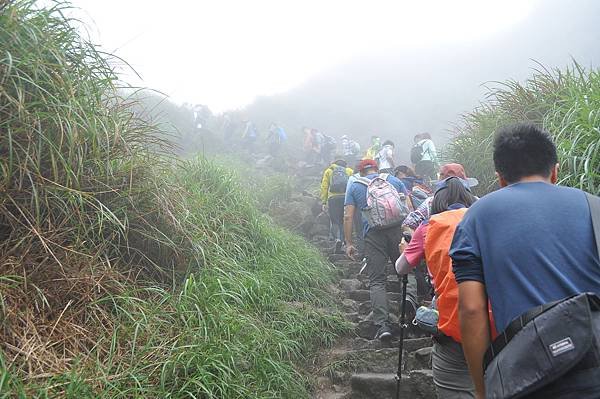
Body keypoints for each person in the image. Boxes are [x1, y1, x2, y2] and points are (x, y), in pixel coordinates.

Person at [450, 123, 600, 399]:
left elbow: (471, 309)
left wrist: (483, 390)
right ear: (554, 170)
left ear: (500, 179)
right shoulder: (594, 206)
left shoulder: (476, 217)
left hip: (528, 376)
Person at [396, 177, 485, 398]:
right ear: (470, 197)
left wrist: (404, 249)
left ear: (436, 200)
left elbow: (402, 268)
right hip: (497, 319)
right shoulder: (487, 219)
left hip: (453, 322)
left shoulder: (429, 226)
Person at [344, 159, 410, 340]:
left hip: (373, 235)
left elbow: (348, 216)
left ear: (360, 171)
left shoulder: (355, 186)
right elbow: (408, 206)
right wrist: (409, 233)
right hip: (397, 230)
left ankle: (383, 325)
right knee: (405, 273)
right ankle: (411, 314)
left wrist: (349, 243)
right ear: (377, 168)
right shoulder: (393, 181)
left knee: (377, 281)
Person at [320, 160, 354, 253]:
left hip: (333, 198)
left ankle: (338, 239)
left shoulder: (329, 171)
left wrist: (324, 202)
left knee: (335, 221)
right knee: (345, 220)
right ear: (345, 164)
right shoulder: (349, 171)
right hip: (346, 198)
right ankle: (345, 242)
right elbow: (353, 185)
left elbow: (324, 186)